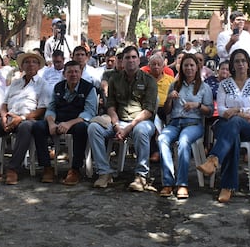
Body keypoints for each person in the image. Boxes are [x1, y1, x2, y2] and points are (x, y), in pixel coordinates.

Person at [197, 50, 250, 203]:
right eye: (237, 61)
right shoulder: (225, 84)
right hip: (224, 125)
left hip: (249, 127)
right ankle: (227, 186)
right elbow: (220, 110)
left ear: (248, 63)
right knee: (233, 133)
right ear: (232, 65)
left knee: (234, 123)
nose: (240, 64)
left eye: (243, 61)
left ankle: (213, 160)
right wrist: (240, 113)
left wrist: (236, 111)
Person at [88, 45, 157, 191]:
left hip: (140, 121)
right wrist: (117, 126)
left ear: (139, 60)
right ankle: (104, 173)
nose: (131, 60)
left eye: (134, 57)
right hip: (118, 120)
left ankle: (141, 176)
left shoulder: (149, 80)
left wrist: (129, 127)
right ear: (122, 61)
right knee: (94, 128)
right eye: (127, 57)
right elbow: (111, 106)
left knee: (141, 131)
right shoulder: (114, 79)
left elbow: (149, 110)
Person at [0, 52, 49, 185]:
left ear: (39, 66)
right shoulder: (15, 83)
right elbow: (4, 104)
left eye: (34, 62)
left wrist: (21, 118)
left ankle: (13, 169)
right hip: (9, 116)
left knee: (26, 127)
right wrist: (3, 116)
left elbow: (42, 109)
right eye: (27, 62)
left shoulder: (43, 84)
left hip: (28, 118)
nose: (30, 65)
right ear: (22, 66)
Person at [157, 55, 213, 199]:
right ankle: (168, 182)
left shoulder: (204, 87)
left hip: (193, 123)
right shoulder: (175, 85)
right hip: (175, 122)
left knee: (184, 140)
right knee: (162, 138)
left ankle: (182, 183)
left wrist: (197, 105)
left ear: (197, 67)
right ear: (181, 68)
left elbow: (210, 111)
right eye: (185, 65)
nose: (188, 68)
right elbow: (167, 111)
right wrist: (169, 98)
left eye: (191, 65)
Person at [32, 60, 97, 185]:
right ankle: (46, 167)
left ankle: (75, 169)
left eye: (76, 71)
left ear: (81, 73)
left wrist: (69, 123)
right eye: (70, 72)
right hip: (58, 120)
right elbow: (51, 108)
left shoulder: (89, 88)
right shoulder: (58, 87)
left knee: (81, 128)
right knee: (38, 126)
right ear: (64, 74)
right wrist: (51, 123)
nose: (73, 75)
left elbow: (89, 113)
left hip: (77, 121)